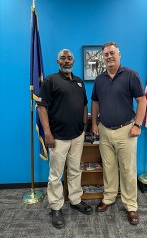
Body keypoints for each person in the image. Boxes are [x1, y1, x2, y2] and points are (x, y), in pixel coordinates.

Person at [91, 42, 146, 225]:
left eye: (112, 53)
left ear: (119, 54)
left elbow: (142, 101)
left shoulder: (131, 75)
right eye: (106, 54)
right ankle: (109, 197)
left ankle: (131, 206)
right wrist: (94, 123)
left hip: (126, 131)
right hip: (105, 131)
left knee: (128, 170)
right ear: (103, 58)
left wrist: (138, 125)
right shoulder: (99, 79)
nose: (109, 57)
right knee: (109, 167)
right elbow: (95, 103)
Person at [37, 49, 92, 229]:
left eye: (69, 58)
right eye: (63, 58)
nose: (66, 61)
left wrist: (84, 125)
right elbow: (42, 107)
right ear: (57, 61)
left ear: (73, 62)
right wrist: (47, 133)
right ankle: (56, 207)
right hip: (58, 138)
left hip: (77, 136)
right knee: (55, 175)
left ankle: (75, 200)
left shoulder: (79, 82)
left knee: (75, 170)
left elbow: (84, 105)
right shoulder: (50, 81)